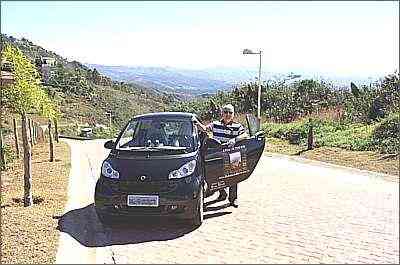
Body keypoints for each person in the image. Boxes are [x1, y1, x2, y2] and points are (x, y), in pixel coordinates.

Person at [195, 104, 248, 208]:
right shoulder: (215, 124)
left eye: (230, 112)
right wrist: (195, 123)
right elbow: (205, 129)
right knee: (217, 174)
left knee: (234, 177)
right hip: (218, 154)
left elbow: (245, 135)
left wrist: (235, 139)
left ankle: (233, 199)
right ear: (222, 113)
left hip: (233, 155)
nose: (228, 114)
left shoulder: (237, 126)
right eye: (226, 112)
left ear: (233, 114)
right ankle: (222, 193)